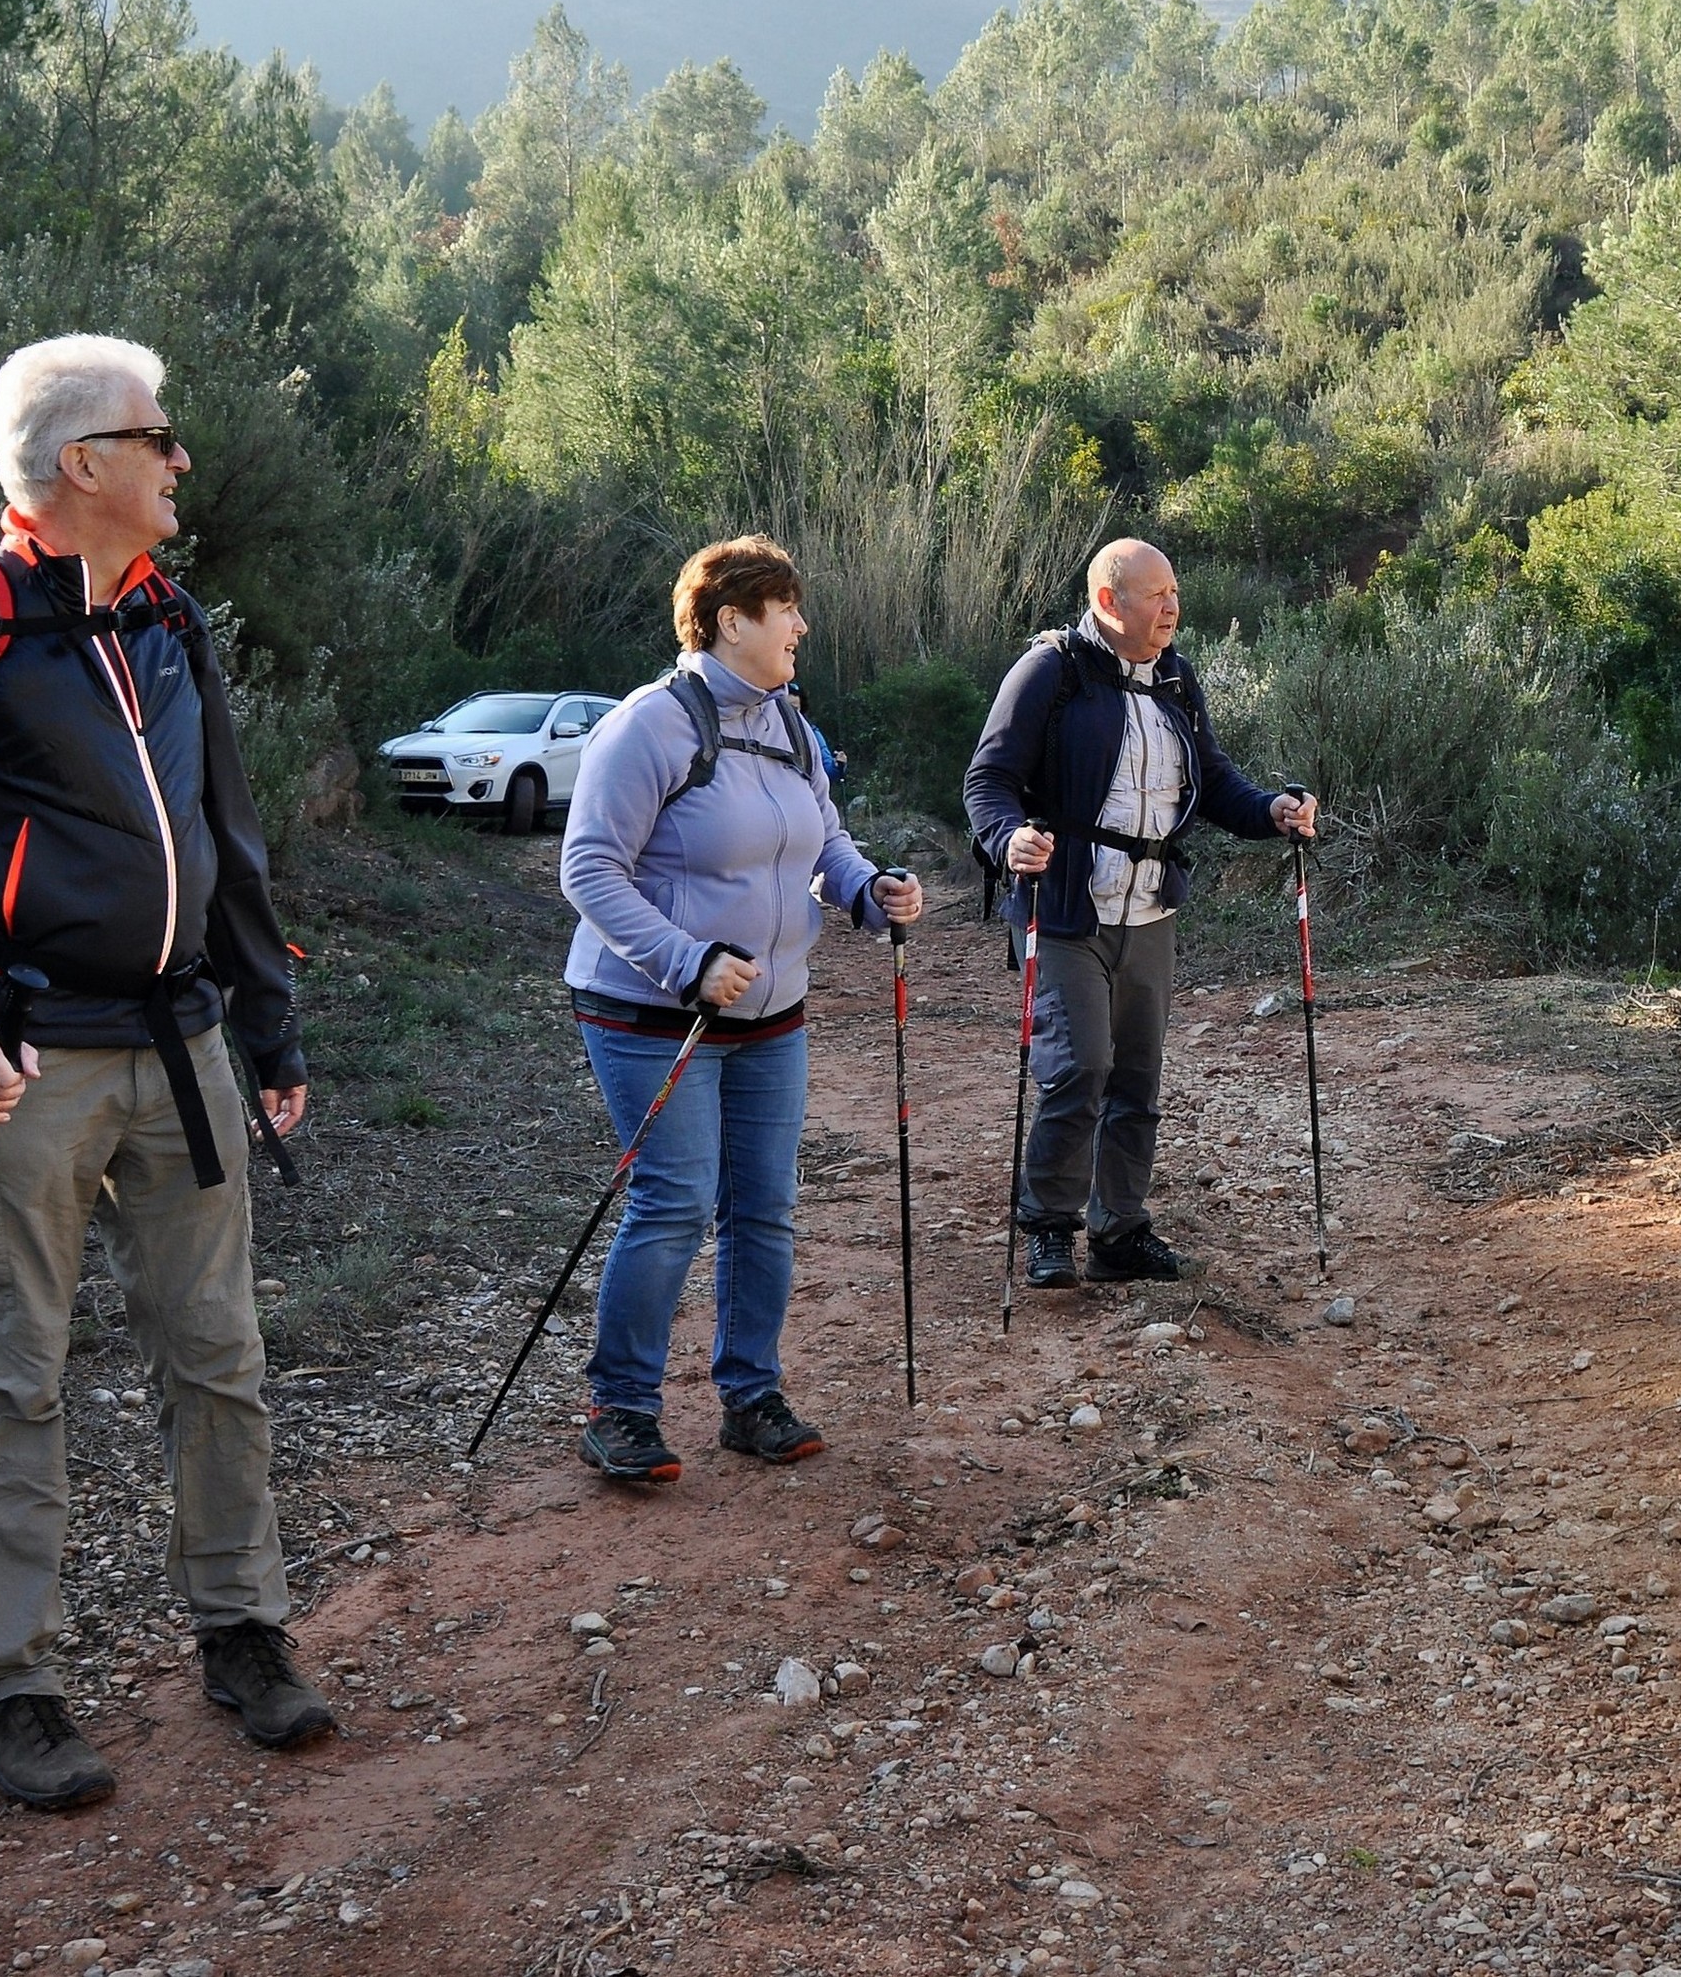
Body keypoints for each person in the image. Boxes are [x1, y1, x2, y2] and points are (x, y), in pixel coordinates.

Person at [0, 333, 326, 1810]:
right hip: (24, 1062)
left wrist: (269, 1028)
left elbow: (228, 835)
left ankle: (243, 1633)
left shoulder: (168, 615)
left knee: (218, 1354)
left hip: (185, 1045)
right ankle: (13, 1689)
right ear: (81, 462)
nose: (180, 459)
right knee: (13, 1376)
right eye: (157, 436)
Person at [559, 535, 924, 1483]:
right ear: (731, 620)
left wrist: (867, 889)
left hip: (772, 1015)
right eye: (785, 609)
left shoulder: (791, 726)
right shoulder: (648, 727)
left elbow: (822, 840)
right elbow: (588, 869)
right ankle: (620, 1409)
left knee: (764, 1207)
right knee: (675, 1203)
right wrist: (687, 962)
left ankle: (751, 1396)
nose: (801, 626)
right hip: (652, 1013)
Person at [964, 539, 1317, 1290]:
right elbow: (988, 779)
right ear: (1107, 601)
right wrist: (1008, 838)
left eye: (1174, 593)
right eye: (1156, 595)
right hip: (1065, 909)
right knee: (1079, 1067)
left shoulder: (1176, 679)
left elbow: (1212, 781)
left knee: (1136, 1078)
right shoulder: (1049, 671)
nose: (1172, 608)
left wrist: (1272, 811)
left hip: (1150, 910)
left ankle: (1118, 1232)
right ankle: (1049, 1226)